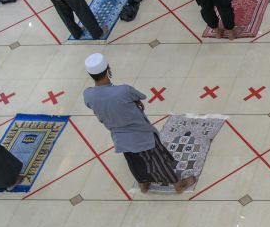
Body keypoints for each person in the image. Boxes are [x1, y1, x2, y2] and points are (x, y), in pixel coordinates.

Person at [82, 53, 196, 194]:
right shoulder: (123, 90)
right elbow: (141, 96)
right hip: (142, 135)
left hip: (120, 139)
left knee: (135, 163)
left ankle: (143, 185)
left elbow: (97, 104)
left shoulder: (88, 94)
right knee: (159, 161)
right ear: (108, 70)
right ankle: (179, 185)